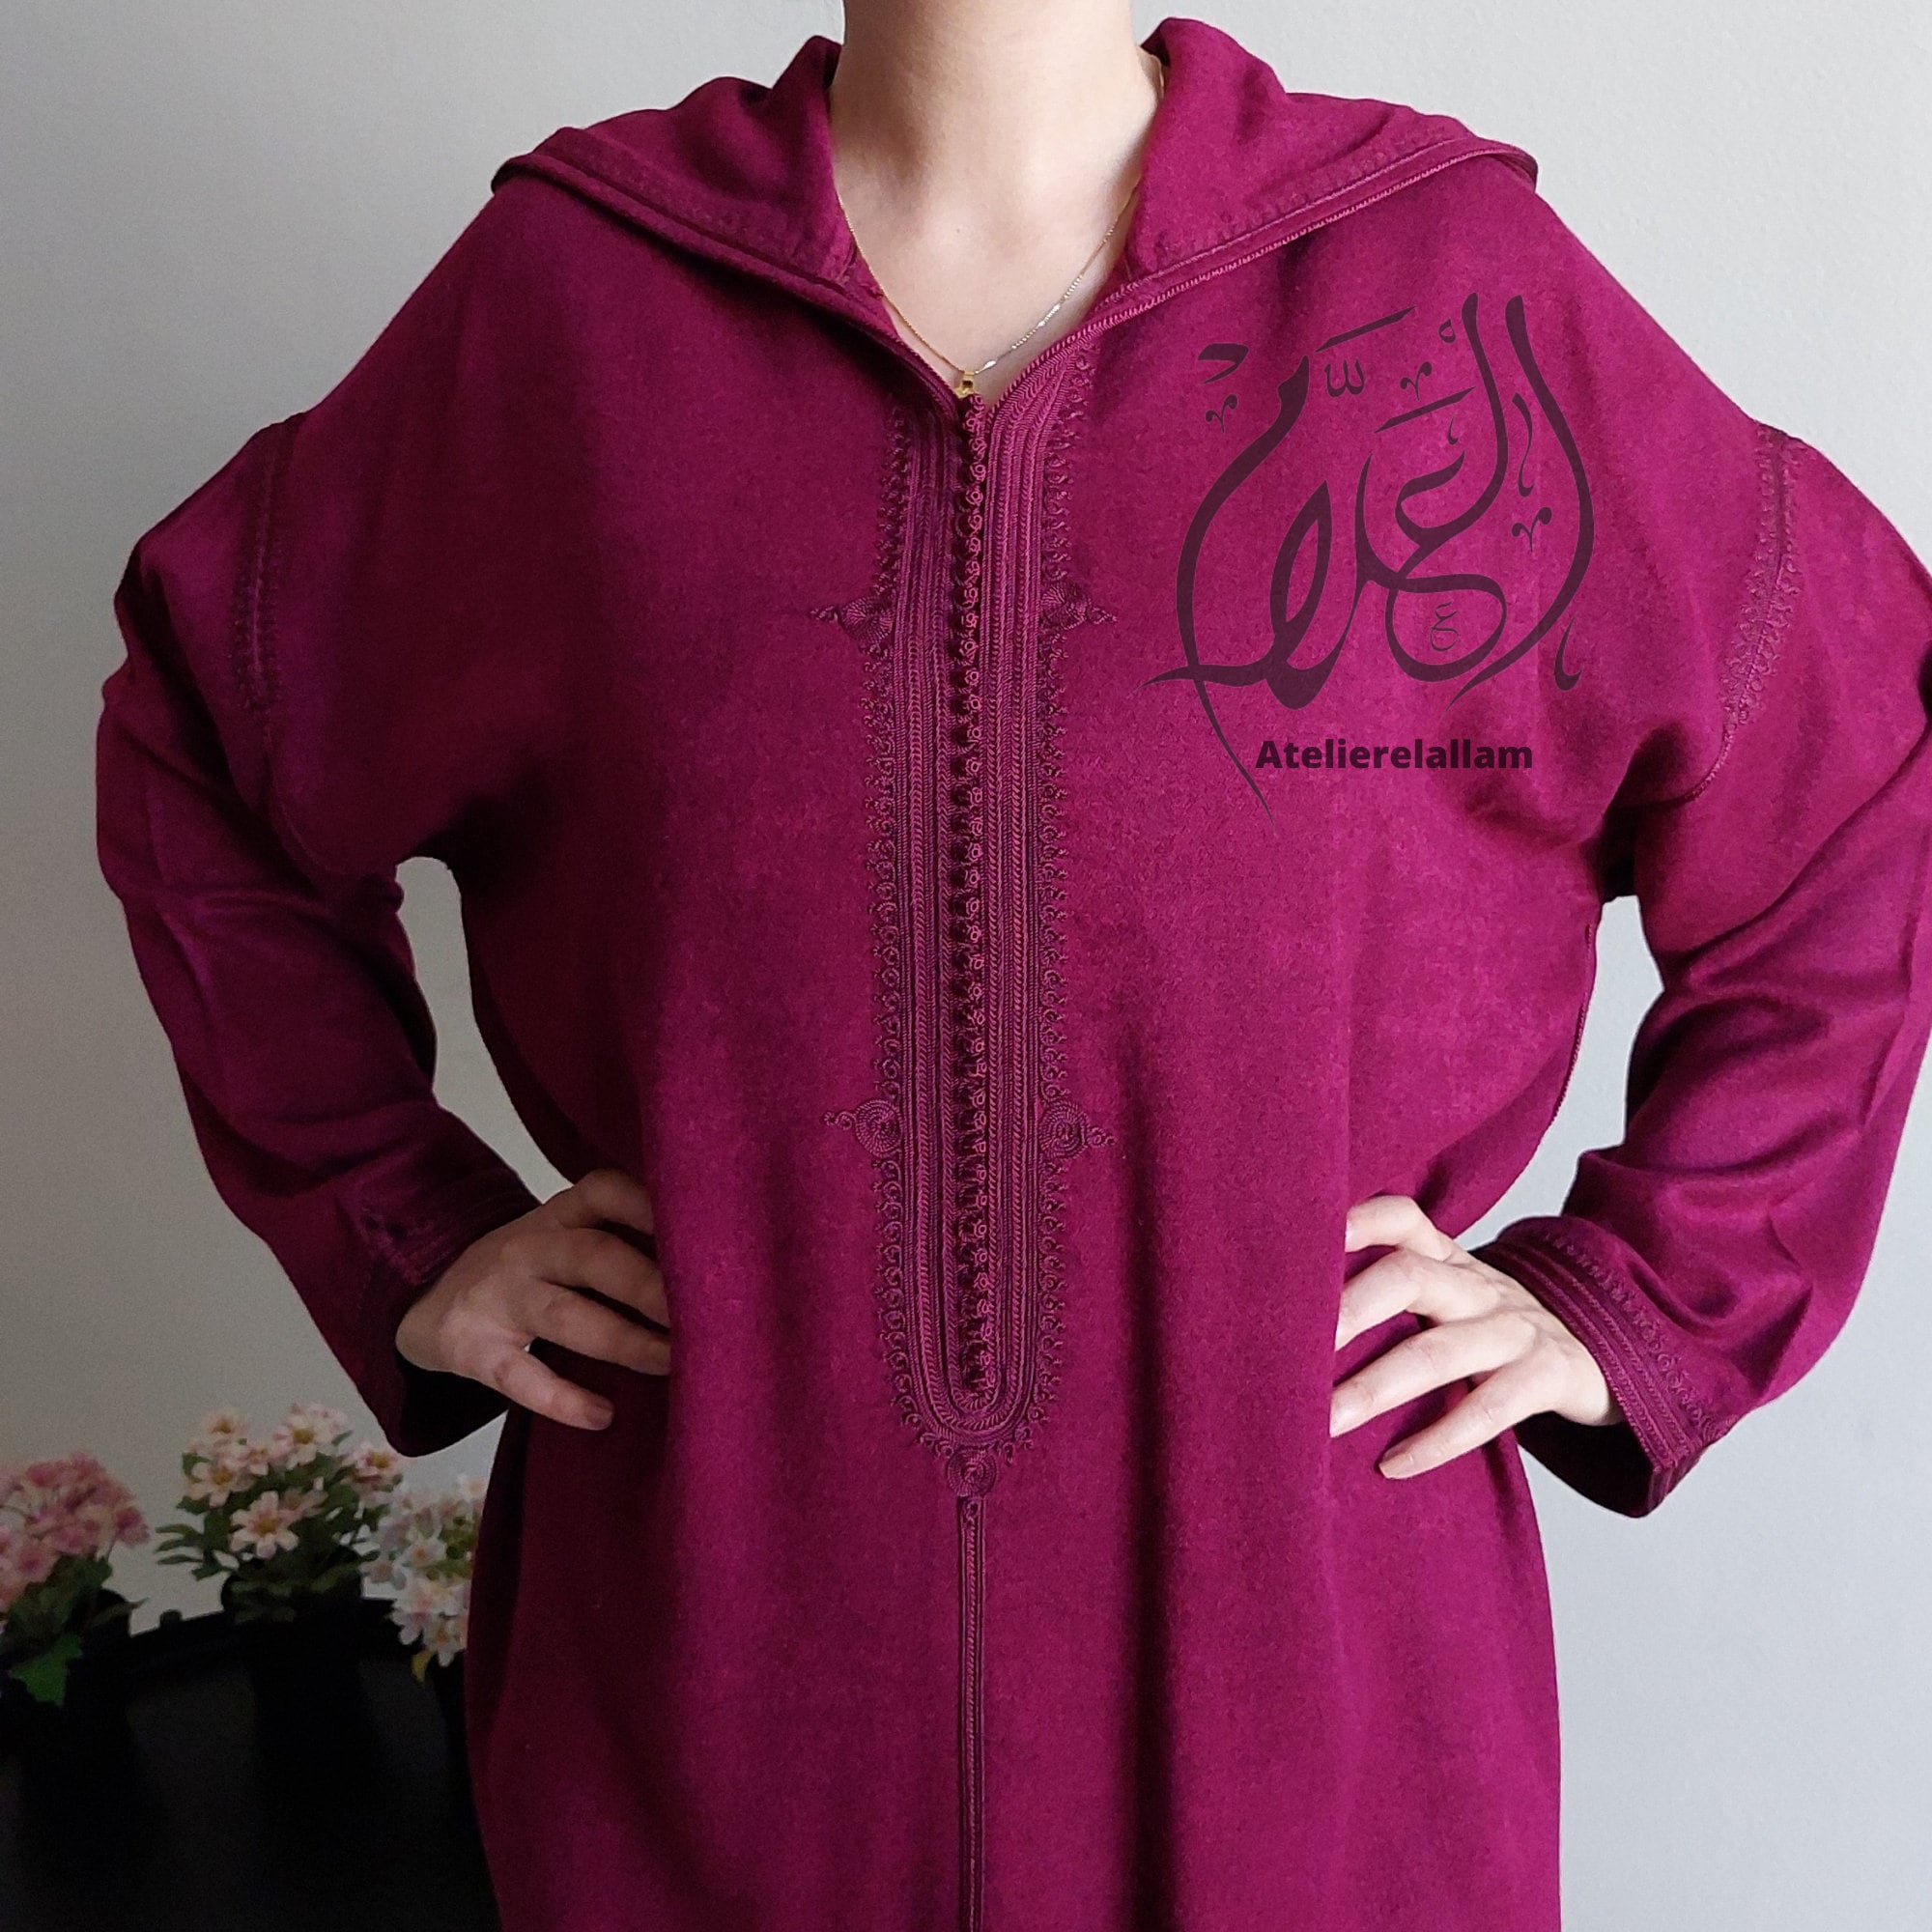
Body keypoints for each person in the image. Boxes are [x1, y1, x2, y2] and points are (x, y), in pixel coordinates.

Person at [94, 5, 1932, 1928]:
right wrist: (400, 1223)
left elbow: (1835, 752)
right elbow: (214, 721)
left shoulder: (1442, 289)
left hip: (1312, 1680)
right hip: (717, 1680)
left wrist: (1641, 1294)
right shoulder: (572, 312)